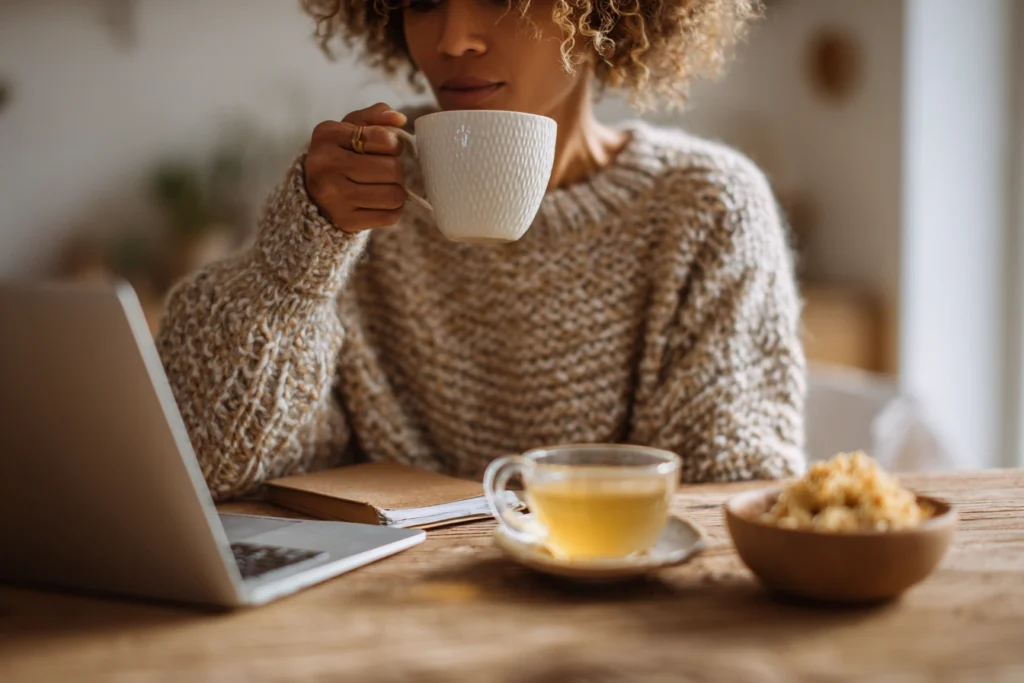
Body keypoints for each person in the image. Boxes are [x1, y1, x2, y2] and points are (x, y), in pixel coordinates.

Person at [156, 0, 806, 502]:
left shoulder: (706, 208)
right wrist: (298, 255)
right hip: (375, 624)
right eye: (423, 0)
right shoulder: (346, 195)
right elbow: (204, 460)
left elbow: (730, 497)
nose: (451, 40)